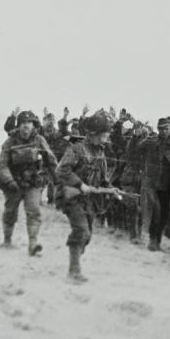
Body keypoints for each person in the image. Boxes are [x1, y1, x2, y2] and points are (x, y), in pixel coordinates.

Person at [55, 112, 115, 282]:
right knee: (81, 231)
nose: (105, 139)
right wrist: (80, 185)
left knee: (87, 236)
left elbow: (103, 179)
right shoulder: (77, 150)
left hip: (89, 200)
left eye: (107, 135)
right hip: (71, 197)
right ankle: (73, 271)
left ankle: (75, 256)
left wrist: (111, 189)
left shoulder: (100, 153)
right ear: (92, 134)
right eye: (103, 135)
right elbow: (61, 170)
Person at [0, 110, 58, 256]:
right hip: (14, 183)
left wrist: (57, 179)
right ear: (18, 125)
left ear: (34, 125)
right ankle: (7, 240)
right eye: (23, 123)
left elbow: (51, 160)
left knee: (34, 211)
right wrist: (9, 180)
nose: (26, 126)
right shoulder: (10, 142)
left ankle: (33, 244)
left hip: (33, 183)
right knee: (10, 211)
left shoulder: (39, 140)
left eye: (29, 123)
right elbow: (2, 165)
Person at [139, 116, 170, 251]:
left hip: (168, 186)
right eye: (161, 129)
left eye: (166, 129)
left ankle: (158, 241)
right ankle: (152, 240)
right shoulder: (151, 141)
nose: (163, 131)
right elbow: (138, 149)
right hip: (153, 185)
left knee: (164, 215)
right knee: (156, 213)